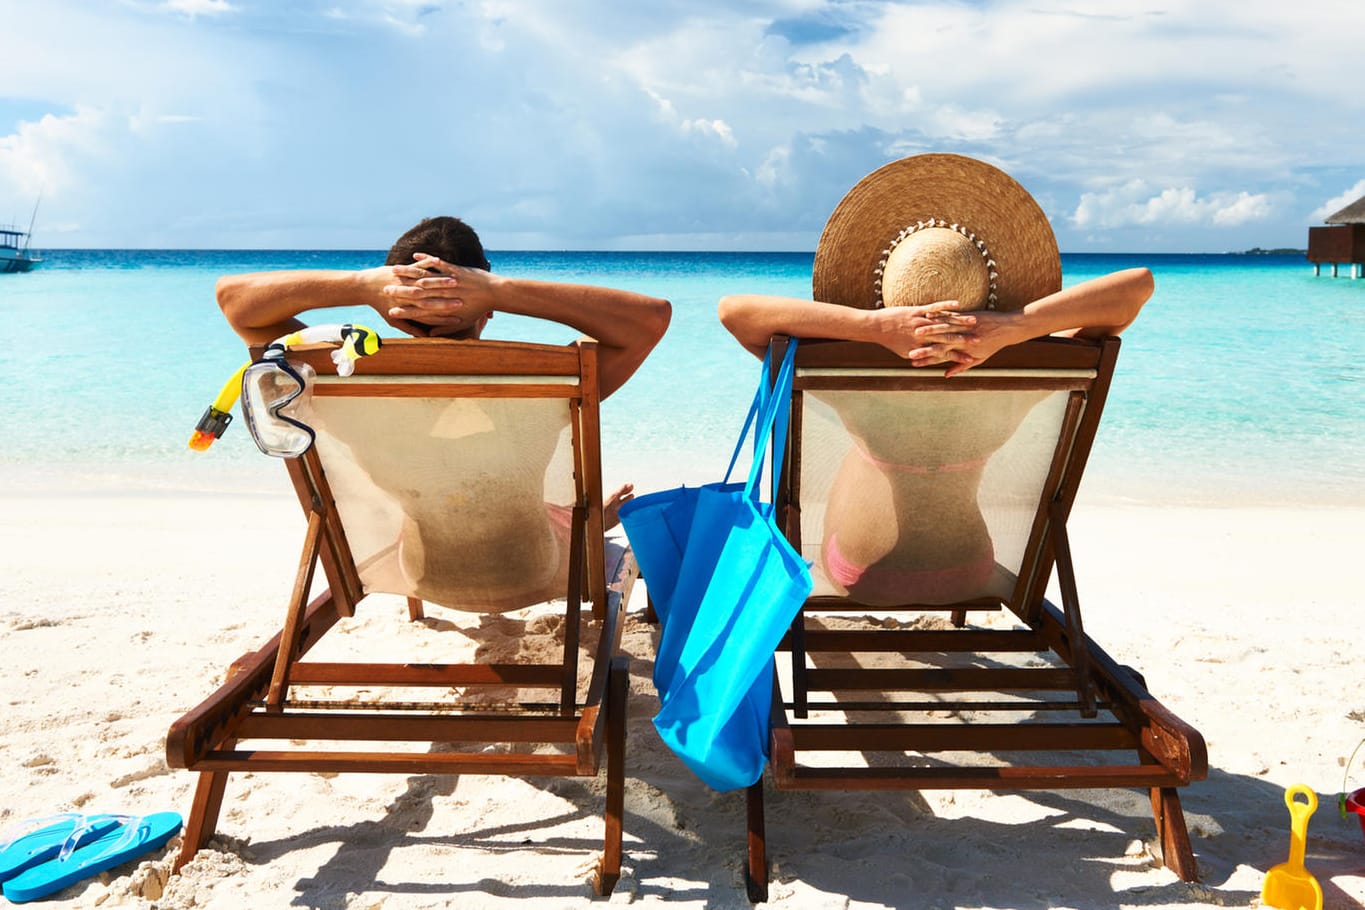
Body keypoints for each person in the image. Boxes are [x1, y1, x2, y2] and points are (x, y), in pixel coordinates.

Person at [717, 154, 1153, 606]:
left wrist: (876, 328)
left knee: (861, 456)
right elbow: (1137, 286)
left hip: (859, 574)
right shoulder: (1029, 372)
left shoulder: (841, 371)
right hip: (970, 571)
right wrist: (1011, 328)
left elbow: (734, 311)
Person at [216, 216, 671, 609]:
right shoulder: (550, 384)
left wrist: (361, 286)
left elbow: (237, 304)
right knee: (504, 489)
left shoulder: (348, 384)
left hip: (422, 574)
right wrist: (497, 290)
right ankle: (590, 522)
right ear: (485, 305)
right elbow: (650, 320)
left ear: (393, 309)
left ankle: (582, 520)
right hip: (533, 570)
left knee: (460, 489)